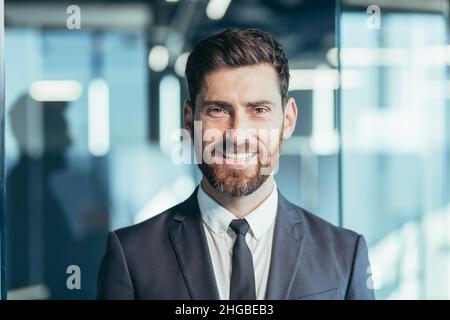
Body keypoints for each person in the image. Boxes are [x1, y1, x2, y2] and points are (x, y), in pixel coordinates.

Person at [97, 28, 375, 300]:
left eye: (259, 110)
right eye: (218, 110)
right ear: (188, 120)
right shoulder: (132, 255)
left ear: (288, 120)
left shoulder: (344, 255)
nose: (237, 134)